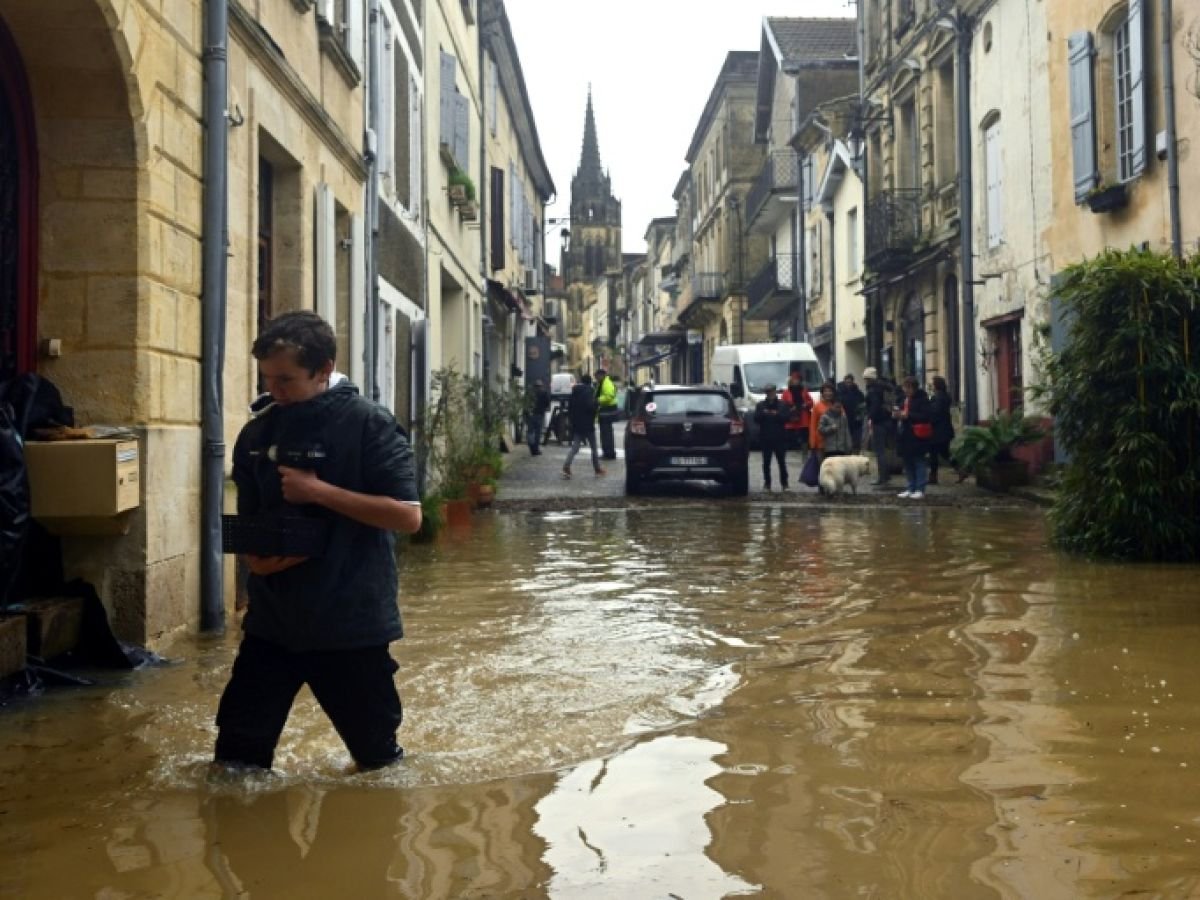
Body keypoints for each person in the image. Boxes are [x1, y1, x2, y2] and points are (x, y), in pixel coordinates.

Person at [215, 310, 422, 772]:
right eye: (267, 379)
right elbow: (251, 520)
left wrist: (318, 492)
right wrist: (256, 562)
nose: (275, 391)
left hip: (351, 622)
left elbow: (408, 517)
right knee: (234, 762)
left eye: (286, 379)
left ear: (325, 369)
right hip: (272, 623)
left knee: (377, 765)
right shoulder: (256, 433)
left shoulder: (370, 424)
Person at [894, 375, 933, 499]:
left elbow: (926, 416)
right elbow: (900, 411)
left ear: (914, 388)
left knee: (919, 461)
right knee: (907, 462)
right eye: (905, 387)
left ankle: (920, 488)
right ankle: (910, 487)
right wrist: (896, 413)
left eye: (909, 388)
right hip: (905, 434)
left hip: (917, 435)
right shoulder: (903, 399)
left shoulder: (922, 399)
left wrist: (908, 415)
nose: (906, 390)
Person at [563, 374, 605, 478]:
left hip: (577, 424)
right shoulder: (589, 391)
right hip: (588, 424)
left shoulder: (574, 391)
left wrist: (572, 420)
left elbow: (570, 407)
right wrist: (596, 405)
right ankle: (597, 469)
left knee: (575, 447)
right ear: (590, 382)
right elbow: (590, 406)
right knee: (594, 448)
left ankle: (566, 466)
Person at [753, 384, 790, 491]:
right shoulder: (760, 405)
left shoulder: (782, 405)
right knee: (766, 462)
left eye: (771, 391)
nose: (770, 394)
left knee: (782, 462)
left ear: (775, 392)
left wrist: (776, 414)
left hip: (780, 438)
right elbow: (756, 419)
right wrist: (764, 414)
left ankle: (784, 483)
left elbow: (787, 418)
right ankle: (767, 483)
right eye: (768, 392)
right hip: (766, 438)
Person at [863, 367, 894, 486]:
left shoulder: (873, 390)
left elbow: (874, 407)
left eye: (865, 378)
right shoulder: (884, 386)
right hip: (888, 420)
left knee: (879, 451)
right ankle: (886, 475)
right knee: (886, 450)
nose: (865, 381)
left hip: (878, 422)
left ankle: (883, 477)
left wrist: (870, 417)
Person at [927, 375, 957, 483]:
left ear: (936, 385)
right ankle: (933, 476)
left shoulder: (939, 397)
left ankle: (933, 476)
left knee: (937, 453)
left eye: (932, 384)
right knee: (943, 453)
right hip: (943, 430)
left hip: (938, 430)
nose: (931, 386)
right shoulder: (943, 396)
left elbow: (935, 412)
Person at [782, 369, 813, 457]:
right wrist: (790, 408)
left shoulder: (804, 391)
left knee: (804, 438)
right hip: (791, 419)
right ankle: (787, 455)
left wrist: (805, 405)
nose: (795, 381)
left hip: (803, 418)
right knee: (788, 437)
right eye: (793, 380)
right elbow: (783, 405)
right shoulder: (786, 392)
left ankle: (804, 454)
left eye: (797, 380)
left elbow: (811, 402)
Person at [808, 382, 837, 465]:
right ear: (822, 393)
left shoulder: (838, 405)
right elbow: (813, 425)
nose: (828, 393)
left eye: (830, 391)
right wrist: (813, 443)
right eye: (826, 391)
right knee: (822, 468)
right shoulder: (817, 406)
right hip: (821, 443)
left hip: (834, 443)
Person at [837, 374, 866, 453]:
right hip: (844, 420)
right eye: (847, 382)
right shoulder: (839, 393)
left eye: (850, 382)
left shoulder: (858, 393)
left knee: (856, 441)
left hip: (856, 421)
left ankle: (855, 453)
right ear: (844, 382)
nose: (848, 384)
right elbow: (837, 406)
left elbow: (863, 406)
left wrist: (860, 416)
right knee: (846, 441)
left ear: (853, 382)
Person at [594, 368, 619, 460]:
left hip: (607, 411)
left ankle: (609, 453)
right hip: (606, 412)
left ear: (601, 375)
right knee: (605, 433)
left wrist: (598, 400)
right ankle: (608, 452)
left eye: (596, 376)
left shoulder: (606, 383)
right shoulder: (603, 383)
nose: (596, 378)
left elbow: (609, 396)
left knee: (606, 434)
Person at [527, 379, 551, 456]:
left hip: (530, 415)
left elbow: (525, 403)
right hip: (539, 415)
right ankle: (536, 450)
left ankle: (531, 448)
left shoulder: (530, 393)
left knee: (530, 432)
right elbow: (547, 403)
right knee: (537, 433)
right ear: (541, 386)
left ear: (535, 386)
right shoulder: (544, 393)